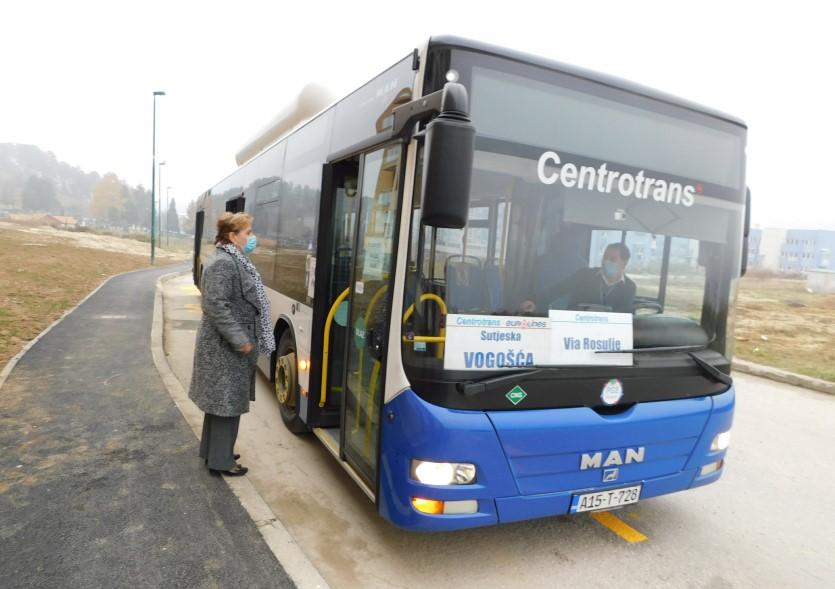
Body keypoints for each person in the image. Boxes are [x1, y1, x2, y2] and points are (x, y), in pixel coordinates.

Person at [188, 212, 276, 476]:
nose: (252, 237)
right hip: (225, 347)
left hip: (226, 346)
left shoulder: (233, 260)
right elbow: (215, 305)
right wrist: (241, 340)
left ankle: (214, 451)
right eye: (247, 232)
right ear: (232, 236)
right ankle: (222, 461)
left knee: (221, 404)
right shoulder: (225, 263)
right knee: (227, 404)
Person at [524, 242, 636, 314]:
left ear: (624, 263)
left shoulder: (629, 287)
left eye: (612, 259)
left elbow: (623, 316)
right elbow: (557, 289)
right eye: (605, 257)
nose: (606, 261)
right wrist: (534, 301)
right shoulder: (585, 274)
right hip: (573, 329)